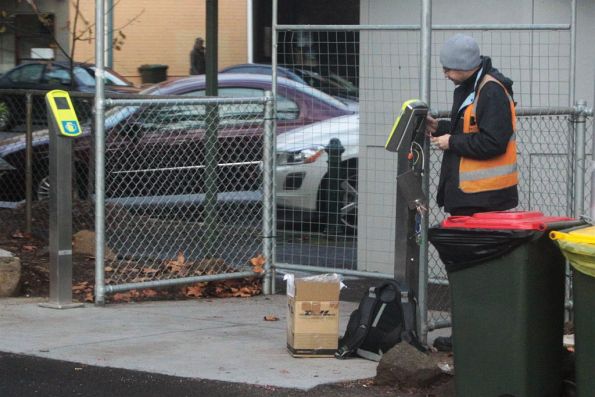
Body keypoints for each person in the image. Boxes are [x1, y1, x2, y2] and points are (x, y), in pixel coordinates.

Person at [426, 34, 519, 351]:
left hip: (483, 198)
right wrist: (439, 127)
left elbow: (493, 142)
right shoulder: (472, 88)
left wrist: (449, 142)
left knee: (475, 274)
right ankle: (471, 334)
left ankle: (471, 336)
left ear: (465, 66)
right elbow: (468, 127)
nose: (445, 74)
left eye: (449, 68)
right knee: (473, 273)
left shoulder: (490, 91)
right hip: (472, 196)